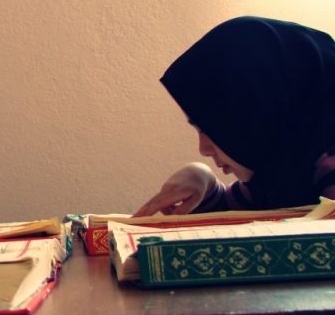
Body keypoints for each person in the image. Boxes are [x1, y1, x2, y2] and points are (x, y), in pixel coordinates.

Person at [133, 16, 335, 217]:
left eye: (212, 128)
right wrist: (204, 181)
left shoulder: (328, 164)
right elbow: (232, 210)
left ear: (256, 112)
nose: (203, 149)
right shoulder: (278, 173)